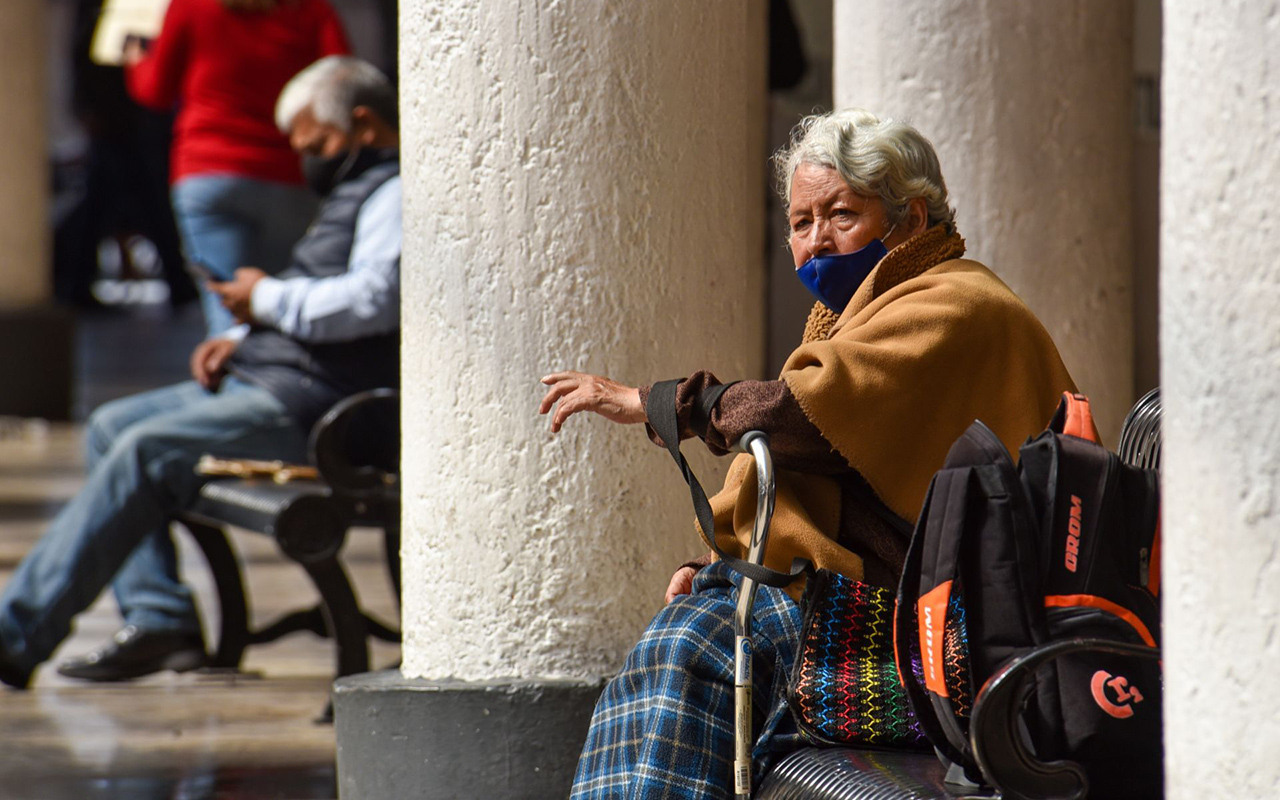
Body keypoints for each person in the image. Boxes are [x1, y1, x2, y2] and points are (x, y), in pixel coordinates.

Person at [538, 109, 1079, 799]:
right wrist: (720, 560)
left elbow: (801, 420)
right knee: (685, 637)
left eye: (841, 214)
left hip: (936, 628)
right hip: (867, 596)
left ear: (910, 221)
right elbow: (824, 476)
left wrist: (664, 402)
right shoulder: (864, 313)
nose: (816, 239)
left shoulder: (959, 305)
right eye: (800, 222)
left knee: (695, 647)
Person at [0, 56, 400, 689]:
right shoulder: (354, 192)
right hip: (276, 378)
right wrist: (242, 334)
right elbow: (321, 288)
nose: (311, 163)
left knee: (147, 450)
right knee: (110, 425)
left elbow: (375, 298)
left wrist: (264, 298)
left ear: (364, 125)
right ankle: (162, 621)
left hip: (316, 404)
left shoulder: (394, 192)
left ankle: (14, 634)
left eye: (319, 145)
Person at [124, 0, 351, 336]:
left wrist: (135, 61)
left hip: (209, 171)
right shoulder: (309, 9)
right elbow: (342, 79)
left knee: (227, 319)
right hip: (287, 172)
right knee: (284, 309)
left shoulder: (191, 6)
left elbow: (154, 90)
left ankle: (238, 383)